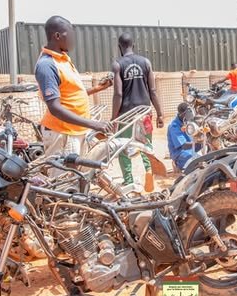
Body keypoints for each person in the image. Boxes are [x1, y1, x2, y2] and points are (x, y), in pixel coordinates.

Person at [35, 16, 113, 159]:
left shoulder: (64, 59)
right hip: (63, 134)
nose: (73, 40)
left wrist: (98, 88)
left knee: (78, 177)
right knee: (63, 179)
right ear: (57, 36)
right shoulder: (47, 65)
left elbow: (72, 94)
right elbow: (55, 107)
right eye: (69, 35)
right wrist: (93, 124)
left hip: (74, 131)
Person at [112, 33, 164, 192]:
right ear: (133, 45)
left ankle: (129, 180)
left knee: (122, 147)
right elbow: (153, 90)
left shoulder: (117, 64)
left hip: (126, 114)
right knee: (145, 145)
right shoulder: (146, 62)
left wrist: (114, 118)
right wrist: (160, 113)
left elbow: (118, 94)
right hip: (144, 112)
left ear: (120, 46)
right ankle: (149, 172)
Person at [167, 103, 198, 171]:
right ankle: (176, 164)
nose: (190, 114)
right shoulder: (174, 126)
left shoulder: (187, 122)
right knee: (197, 163)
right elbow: (183, 145)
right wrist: (198, 143)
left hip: (191, 149)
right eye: (188, 113)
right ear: (182, 114)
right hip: (180, 153)